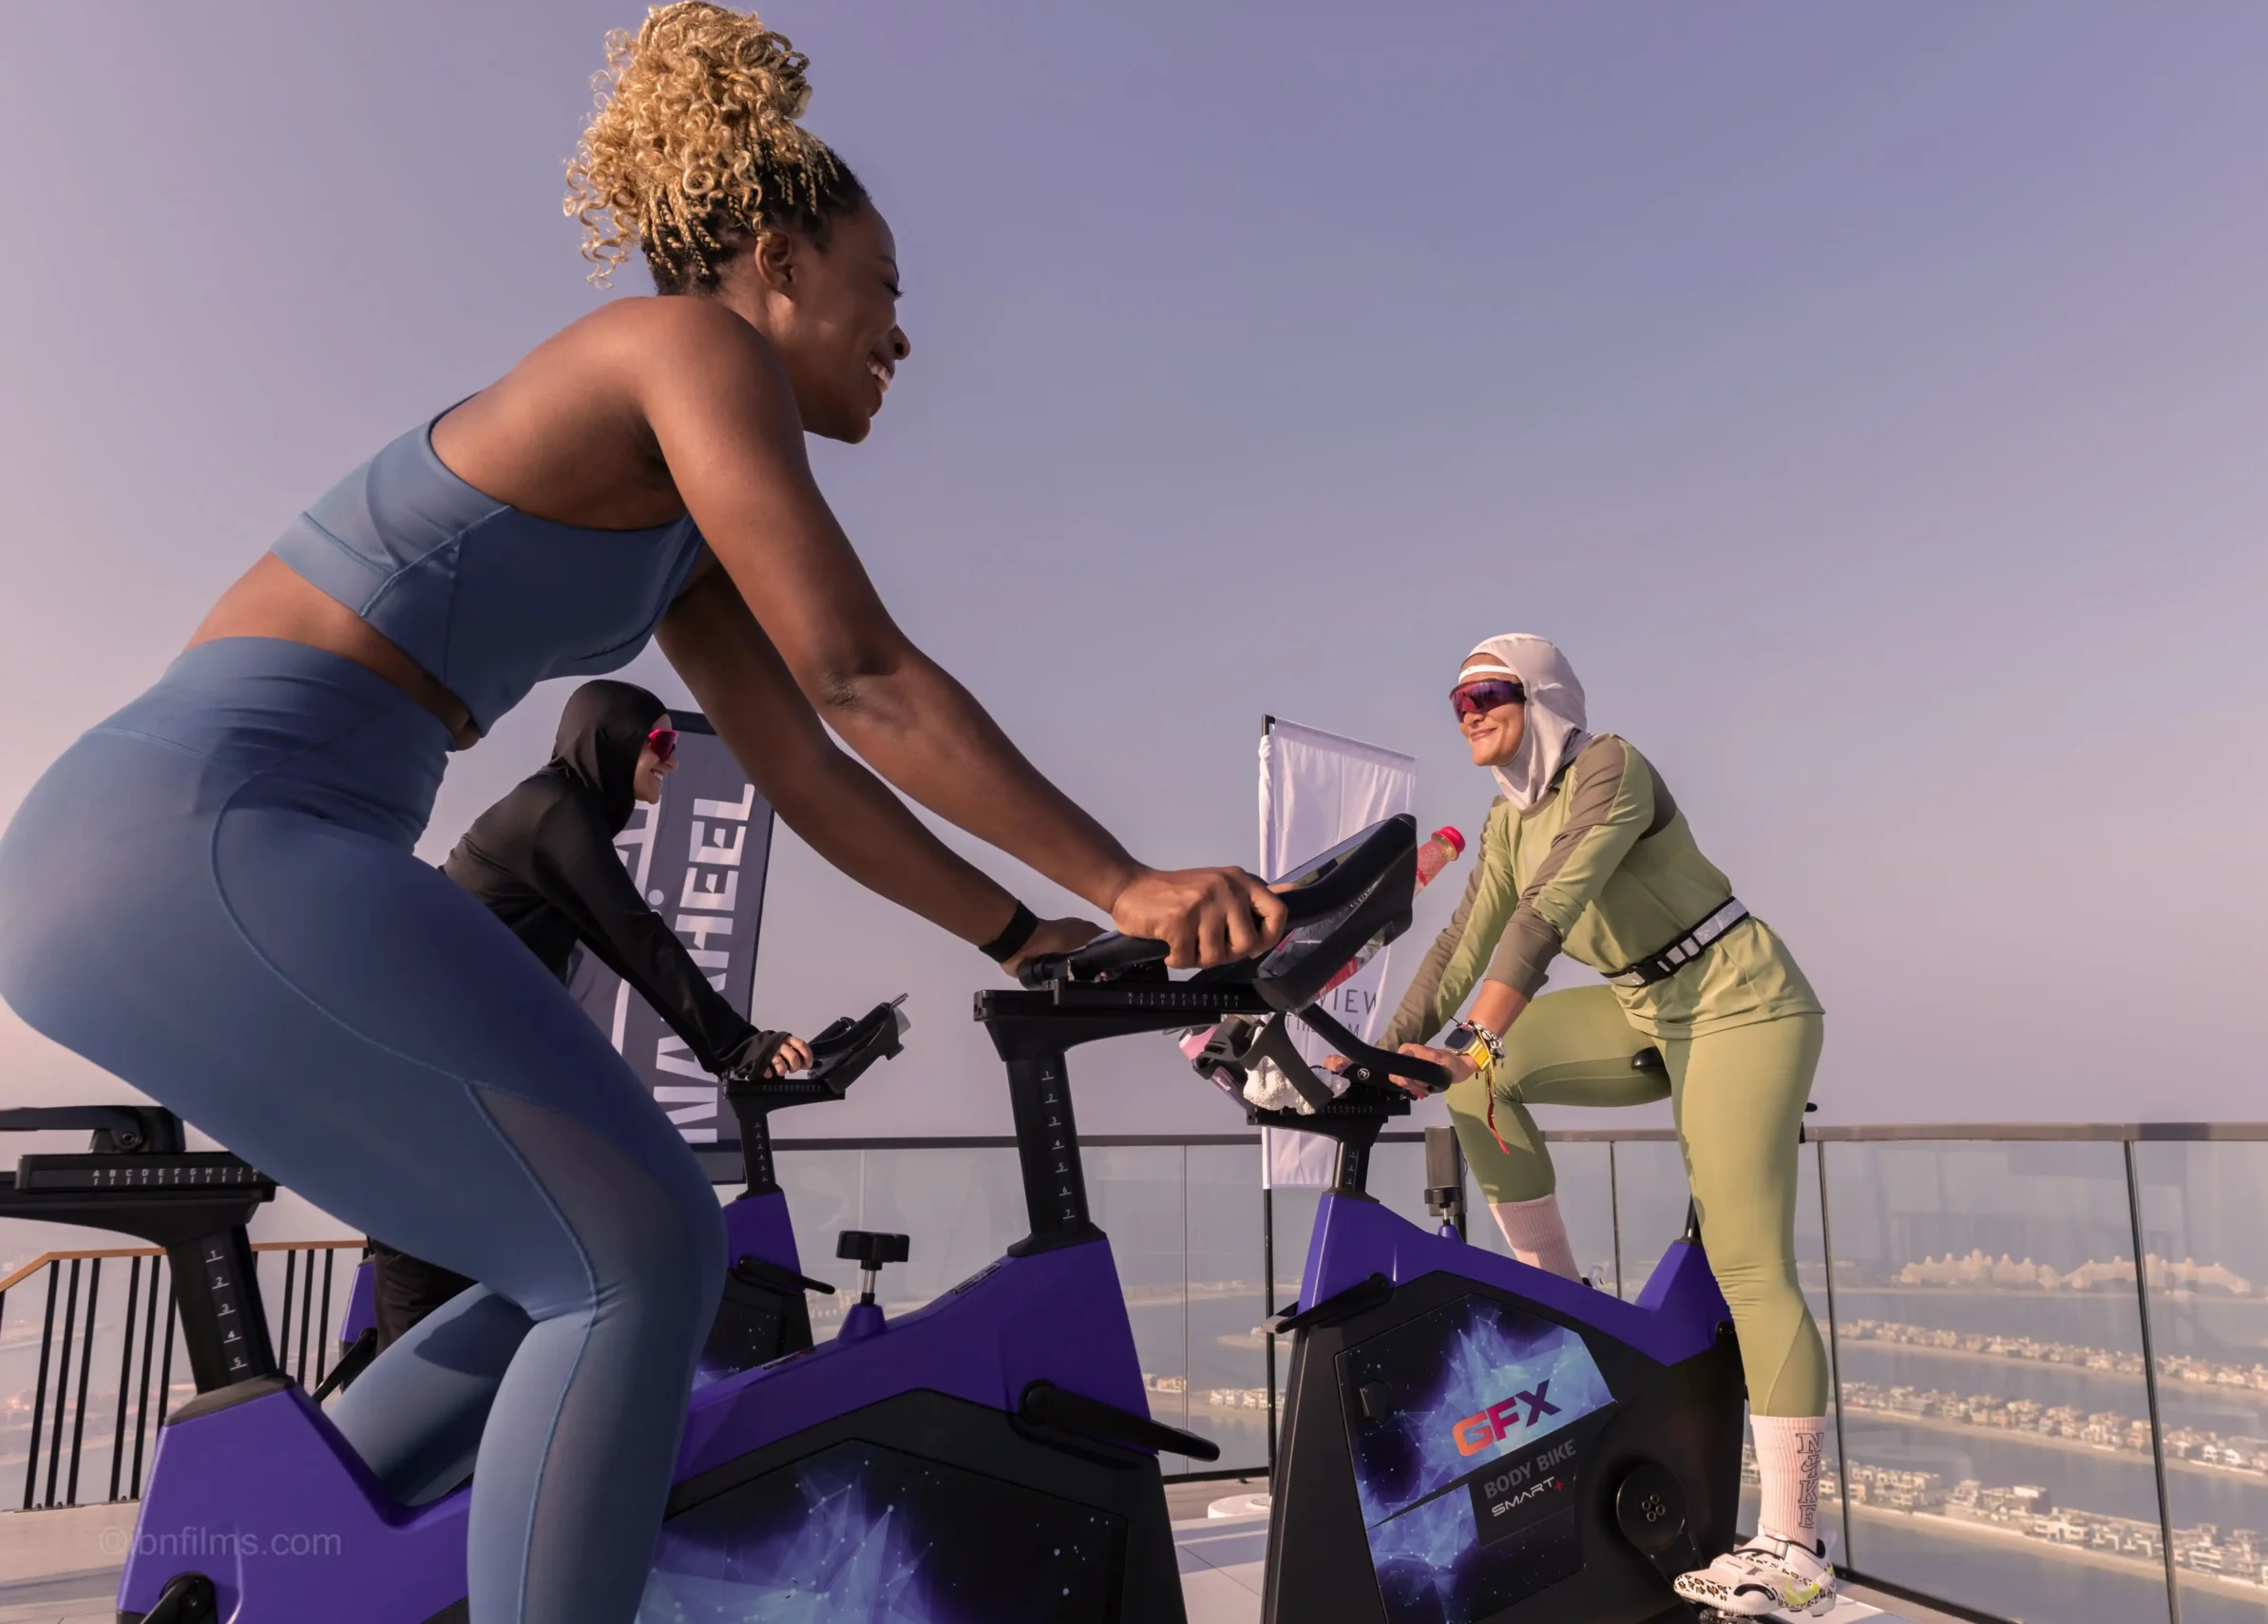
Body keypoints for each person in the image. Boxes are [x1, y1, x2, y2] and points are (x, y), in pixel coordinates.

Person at [0, 9, 1284, 1622]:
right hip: (207, 826)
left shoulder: (675, 522)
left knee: (598, 1260)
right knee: (639, 1252)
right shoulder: (687, 350)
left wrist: (1033, 928)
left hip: (165, 848)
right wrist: (1130, 870)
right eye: (885, 286)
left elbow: (809, 770)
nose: (902, 334)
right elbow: (865, 675)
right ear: (778, 261)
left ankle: (258, 1581)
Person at [1374, 634, 1834, 1617]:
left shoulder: (1609, 767)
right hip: (1641, 1008)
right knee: (1472, 1094)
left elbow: (1544, 916)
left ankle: (1795, 1545)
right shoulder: (1505, 822)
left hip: (1740, 1000)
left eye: (1486, 690)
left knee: (1749, 1261)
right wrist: (1382, 1050)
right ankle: (1564, 1308)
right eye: (1454, 697)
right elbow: (1463, 943)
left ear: (1539, 695)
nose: (1467, 709)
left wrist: (1480, 1039)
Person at [365, 678, 811, 1351]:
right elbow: (636, 938)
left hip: (457, 1092)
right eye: (660, 741)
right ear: (610, 740)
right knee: (425, 1327)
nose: (673, 758)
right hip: (434, 1103)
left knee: (464, 1300)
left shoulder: (561, 809)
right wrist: (737, 1046)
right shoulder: (554, 813)